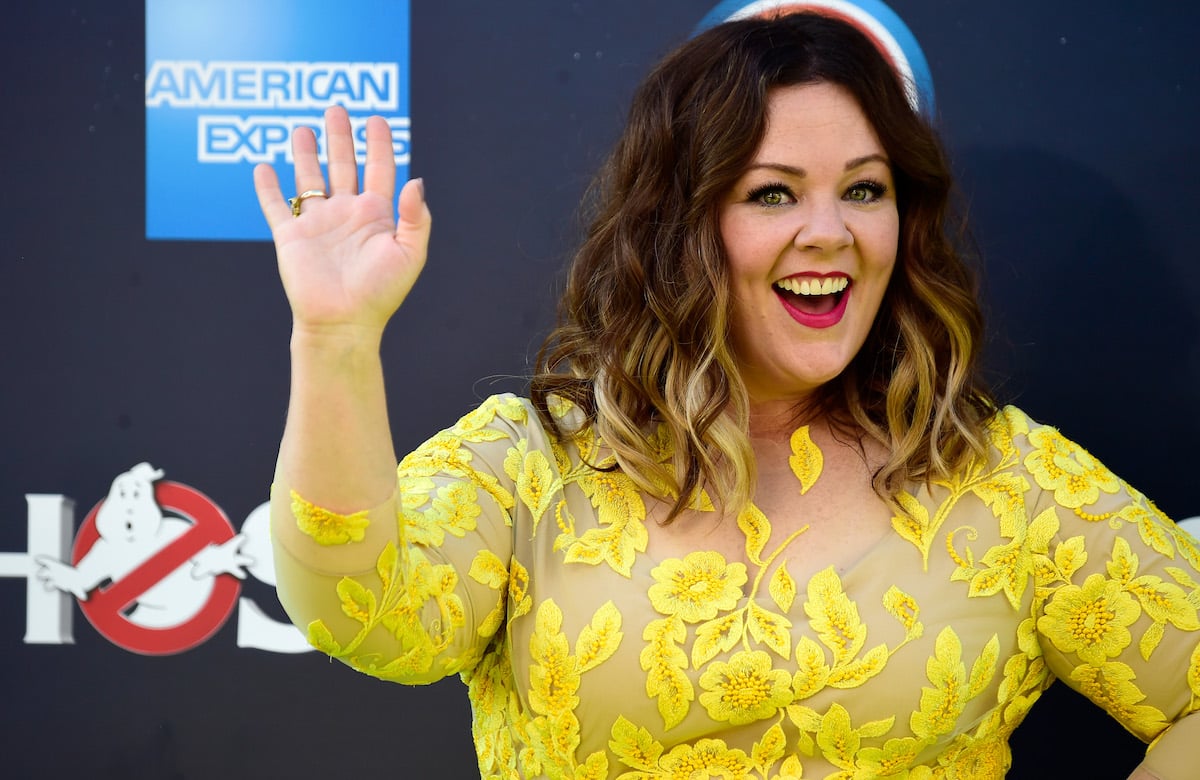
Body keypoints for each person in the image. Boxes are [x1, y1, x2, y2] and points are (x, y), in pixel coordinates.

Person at [254, 12, 1199, 780]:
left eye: (865, 190)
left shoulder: (1005, 482)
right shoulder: (530, 464)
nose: (829, 232)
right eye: (773, 194)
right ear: (680, 225)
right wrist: (334, 341)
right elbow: (363, 611)